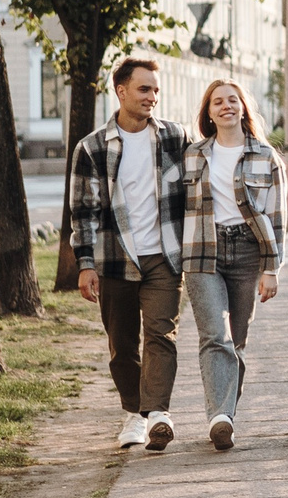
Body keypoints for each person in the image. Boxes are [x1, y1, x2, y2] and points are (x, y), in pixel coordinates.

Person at [66, 57, 193, 451]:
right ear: (121, 91)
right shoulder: (92, 147)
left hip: (164, 257)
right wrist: (85, 264)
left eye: (156, 89)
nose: (152, 96)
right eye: (144, 89)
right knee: (122, 345)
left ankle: (157, 415)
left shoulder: (175, 137)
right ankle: (135, 412)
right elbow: (83, 211)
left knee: (161, 335)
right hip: (115, 258)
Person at [180, 76, 281, 449]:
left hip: (248, 252)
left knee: (236, 341)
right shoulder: (193, 155)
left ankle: (226, 415)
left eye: (232, 100)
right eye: (218, 101)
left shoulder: (265, 156)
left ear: (243, 108)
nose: (226, 106)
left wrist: (271, 269)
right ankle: (219, 418)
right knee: (215, 335)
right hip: (202, 251)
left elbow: (276, 218)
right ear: (208, 113)